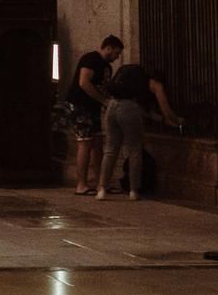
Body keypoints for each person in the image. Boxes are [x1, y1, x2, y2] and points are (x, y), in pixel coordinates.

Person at [97, 64, 183, 201]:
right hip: (128, 110)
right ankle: (133, 190)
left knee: (110, 150)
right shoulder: (155, 85)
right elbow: (166, 110)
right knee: (135, 150)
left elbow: (145, 111)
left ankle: (101, 189)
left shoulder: (133, 81)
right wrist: (178, 121)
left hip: (112, 107)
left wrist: (161, 119)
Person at [64, 35, 122, 195]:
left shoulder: (106, 67)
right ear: (108, 47)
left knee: (97, 144)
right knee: (85, 143)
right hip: (79, 106)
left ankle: (101, 183)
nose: (117, 57)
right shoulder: (91, 59)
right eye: (116, 53)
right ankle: (81, 185)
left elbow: (102, 87)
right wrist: (104, 101)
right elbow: (84, 82)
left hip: (93, 108)